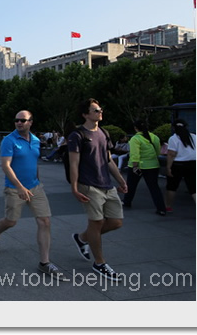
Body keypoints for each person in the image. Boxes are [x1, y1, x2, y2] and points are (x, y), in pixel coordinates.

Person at [0, 110, 69, 281]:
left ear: (31, 122)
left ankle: (44, 262)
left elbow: (33, 163)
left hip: (35, 187)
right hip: (14, 188)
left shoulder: (35, 140)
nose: (19, 123)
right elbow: (6, 166)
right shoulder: (9, 140)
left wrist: (38, 182)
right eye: (17, 120)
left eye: (23, 121)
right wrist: (19, 187)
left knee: (45, 221)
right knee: (11, 221)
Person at [69, 99, 127, 282]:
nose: (100, 112)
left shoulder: (103, 132)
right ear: (85, 114)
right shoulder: (77, 136)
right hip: (89, 185)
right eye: (95, 110)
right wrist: (75, 187)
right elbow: (74, 163)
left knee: (116, 222)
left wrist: (120, 179)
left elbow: (108, 159)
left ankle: (82, 238)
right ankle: (100, 263)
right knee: (97, 222)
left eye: (100, 109)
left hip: (107, 185)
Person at [122, 120, 167, 216]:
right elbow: (158, 152)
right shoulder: (155, 137)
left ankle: (127, 201)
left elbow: (134, 154)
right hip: (153, 166)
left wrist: (135, 166)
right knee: (154, 187)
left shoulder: (135, 139)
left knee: (131, 185)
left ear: (135, 128)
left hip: (139, 166)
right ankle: (161, 208)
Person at [165, 119, 196, 210]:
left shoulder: (173, 138)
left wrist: (168, 167)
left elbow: (171, 154)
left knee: (172, 186)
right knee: (194, 188)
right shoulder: (194, 137)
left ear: (174, 128)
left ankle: (168, 206)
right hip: (193, 164)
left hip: (178, 165)